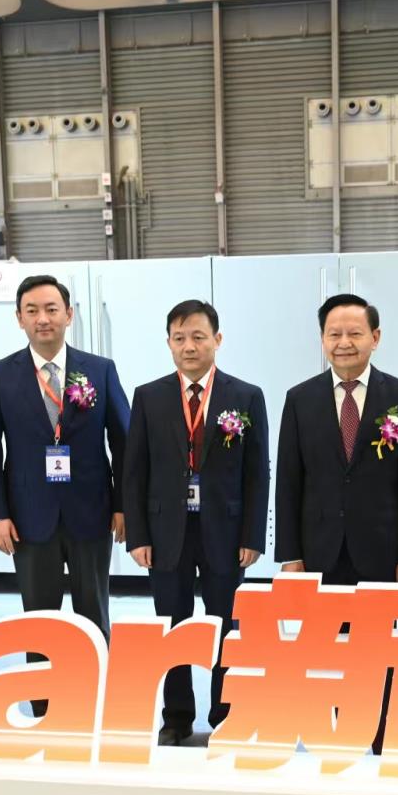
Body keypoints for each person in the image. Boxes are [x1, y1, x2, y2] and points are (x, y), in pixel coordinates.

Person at [275, 293, 398, 753]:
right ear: (322, 340)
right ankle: (336, 729)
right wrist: (290, 555)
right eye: (334, 334)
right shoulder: (299, 399)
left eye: (355, 333)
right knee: (325, 646)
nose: (344, 342)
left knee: (379, 645)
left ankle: (378, 729)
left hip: (381, 548)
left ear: (375, 338)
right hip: (319, 548)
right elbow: (289, 482)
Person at [0, 274, 129, 716]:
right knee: (38, 619)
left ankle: (96, 703)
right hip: (28, 516)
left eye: (51, 309)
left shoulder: (99, 369)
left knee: (93, 614)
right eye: (32, 311)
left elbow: (124, 442)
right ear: (19, 319)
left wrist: (123, 506)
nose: (43, 319)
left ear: (69, 314)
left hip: (91, 512)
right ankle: (44, 707)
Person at [122, 299, 270, 745]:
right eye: (180, 338)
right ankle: (177, 716)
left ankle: (225, 712)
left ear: (217, 340)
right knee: (173, 625)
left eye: (199, 337)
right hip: (166, 532)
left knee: (226, 624)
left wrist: (253, 535)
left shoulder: (245, 396)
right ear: (169, 343)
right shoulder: (148, 397)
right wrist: (137, 535)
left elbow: (257, 473)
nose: (189, 346)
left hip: (226, 532)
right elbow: (134, 471)